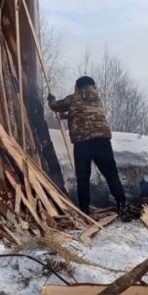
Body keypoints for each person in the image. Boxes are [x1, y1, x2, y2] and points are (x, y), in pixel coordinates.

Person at [48, 75, 128, 219]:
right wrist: (68, 117)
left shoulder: (73, 98)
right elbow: (84, 112)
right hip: (102, 142)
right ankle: (122, 204)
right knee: (111, 175)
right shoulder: (97, 99)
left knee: (83, 178)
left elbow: (56, 107)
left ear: (77, 87)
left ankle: (84, 209)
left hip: (83, 143)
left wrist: (51, 99)